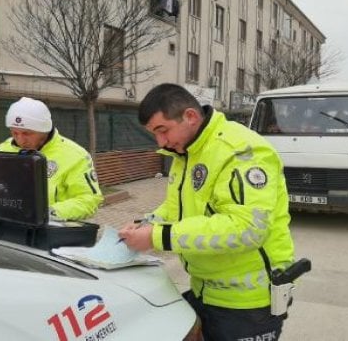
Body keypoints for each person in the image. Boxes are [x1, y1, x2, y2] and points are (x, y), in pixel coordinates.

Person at [118, 84, 295, 341]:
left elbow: (247, 228)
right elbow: (176, 207)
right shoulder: (188, 151)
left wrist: (157, 237)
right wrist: (144, 223)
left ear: (190, 116)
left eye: (162, 130)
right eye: (154, 134)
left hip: (248, 304)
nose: (161, 142)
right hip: (205, 291)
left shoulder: (241, 151)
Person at [0, 97, 103, 221]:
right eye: (14, 133)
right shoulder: (0, 151)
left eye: (27, 133)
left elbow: (89, 199)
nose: (20, 140)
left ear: (44, 130)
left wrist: (49, 213)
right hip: (4, 227)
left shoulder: (75, 156)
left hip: (52, 231)